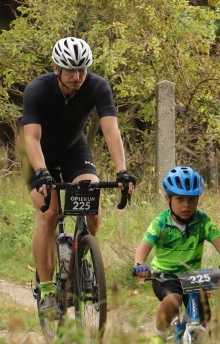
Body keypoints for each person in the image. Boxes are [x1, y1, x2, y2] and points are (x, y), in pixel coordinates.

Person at [22, 37, 137, 320]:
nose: (77, 77)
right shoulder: (38, 89)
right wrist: (42, 173)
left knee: (92, 207)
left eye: (83, 70)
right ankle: (48, 291)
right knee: (49, 214)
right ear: (56, 68)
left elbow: (111, 130)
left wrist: (122, 170)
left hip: (75, 150)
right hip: (39, 155)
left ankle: (79, 260)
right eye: (70, 70)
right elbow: (31, 137)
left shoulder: (98, 86)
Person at [132, 166, 220, 344]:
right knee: (173, 299)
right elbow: (145, 246)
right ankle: (159, 338)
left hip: (193, 278)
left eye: (192, 200)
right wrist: (139, 265)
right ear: (168, 199)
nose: (186, 205)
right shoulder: (161, 222)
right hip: (165, 276)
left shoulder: (202, 221)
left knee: (204, 319)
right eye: (179, 199)